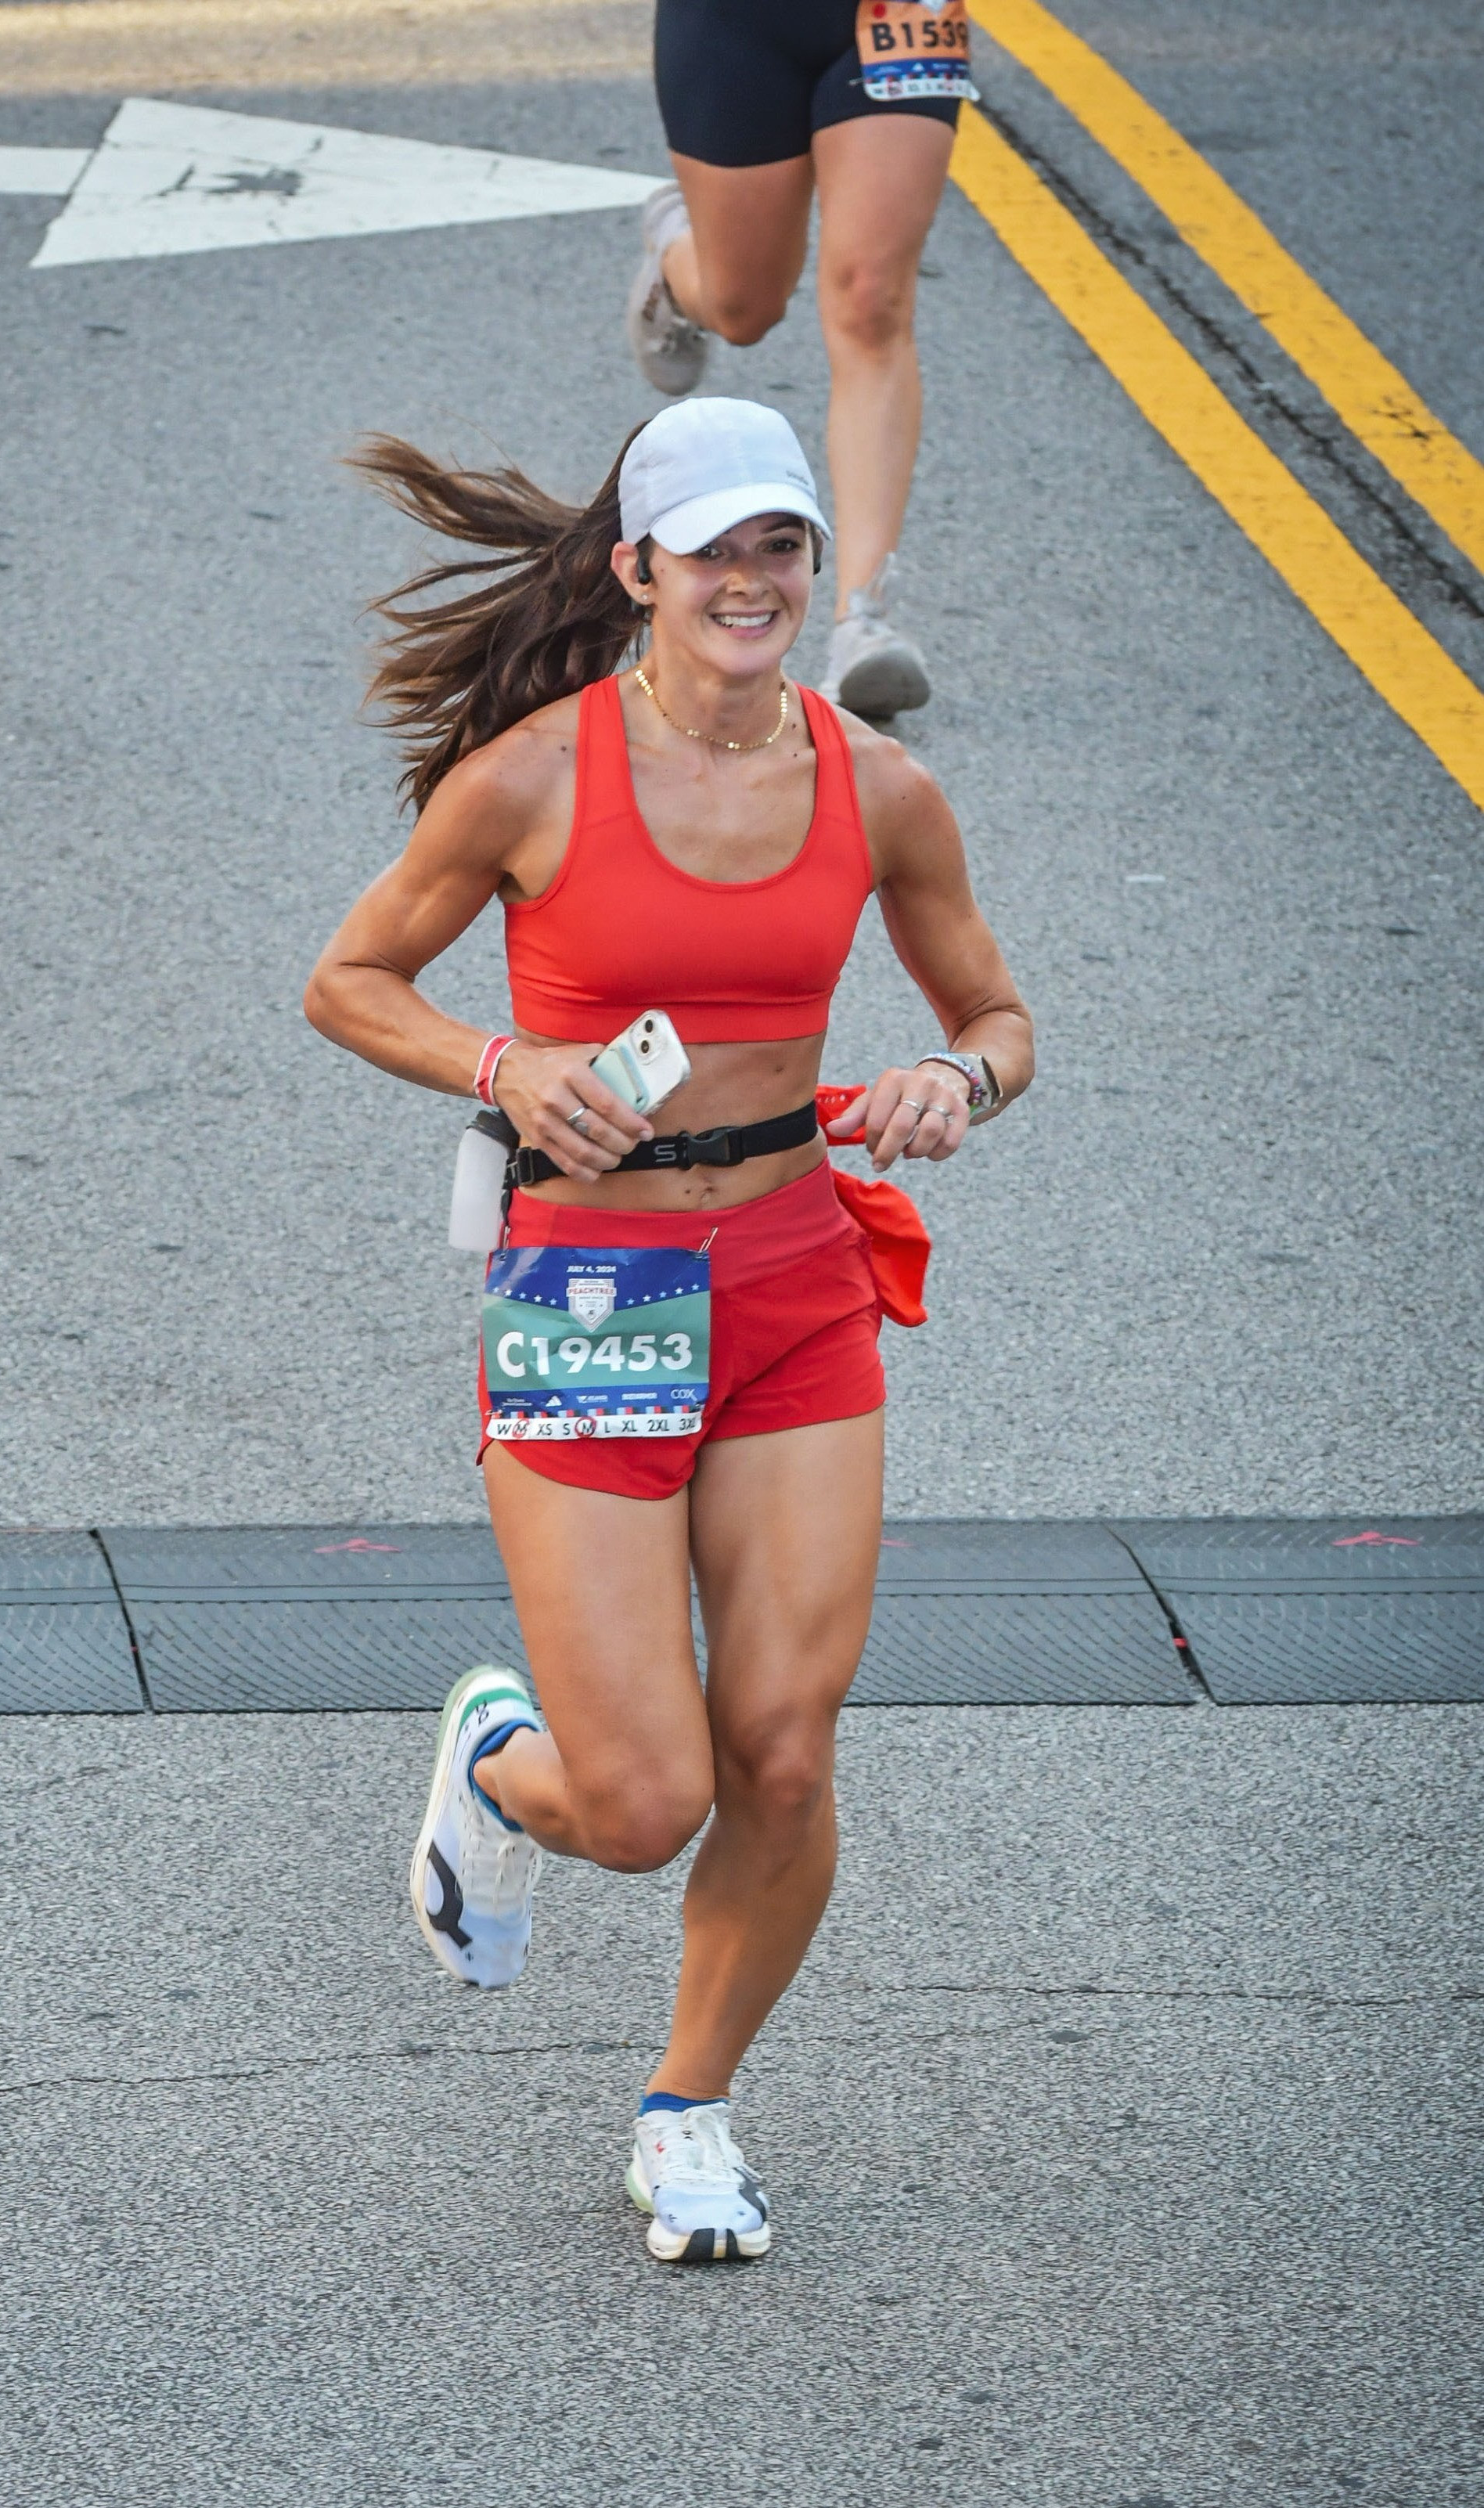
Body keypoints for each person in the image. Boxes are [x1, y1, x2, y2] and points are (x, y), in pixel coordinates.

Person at [305, 396, 1032, 2265]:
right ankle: (500, 1763)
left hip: (793, 1277)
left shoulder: (878, 786)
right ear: (637, 569)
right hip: (595, 1287)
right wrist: (502, 1063)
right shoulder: (533, 776)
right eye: (713, 550)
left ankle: (686, 2107)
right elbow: (351, 979)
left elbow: (998, 1016)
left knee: (782, 1749)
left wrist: (956, 1078)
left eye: (780, 544)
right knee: (639, 1802)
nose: (751, 580)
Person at [627, 0, 979, 720]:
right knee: (743, 307)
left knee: (872, 301)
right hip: (738, 20)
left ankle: (864, 618)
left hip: (899, 14)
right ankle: (676, 263)